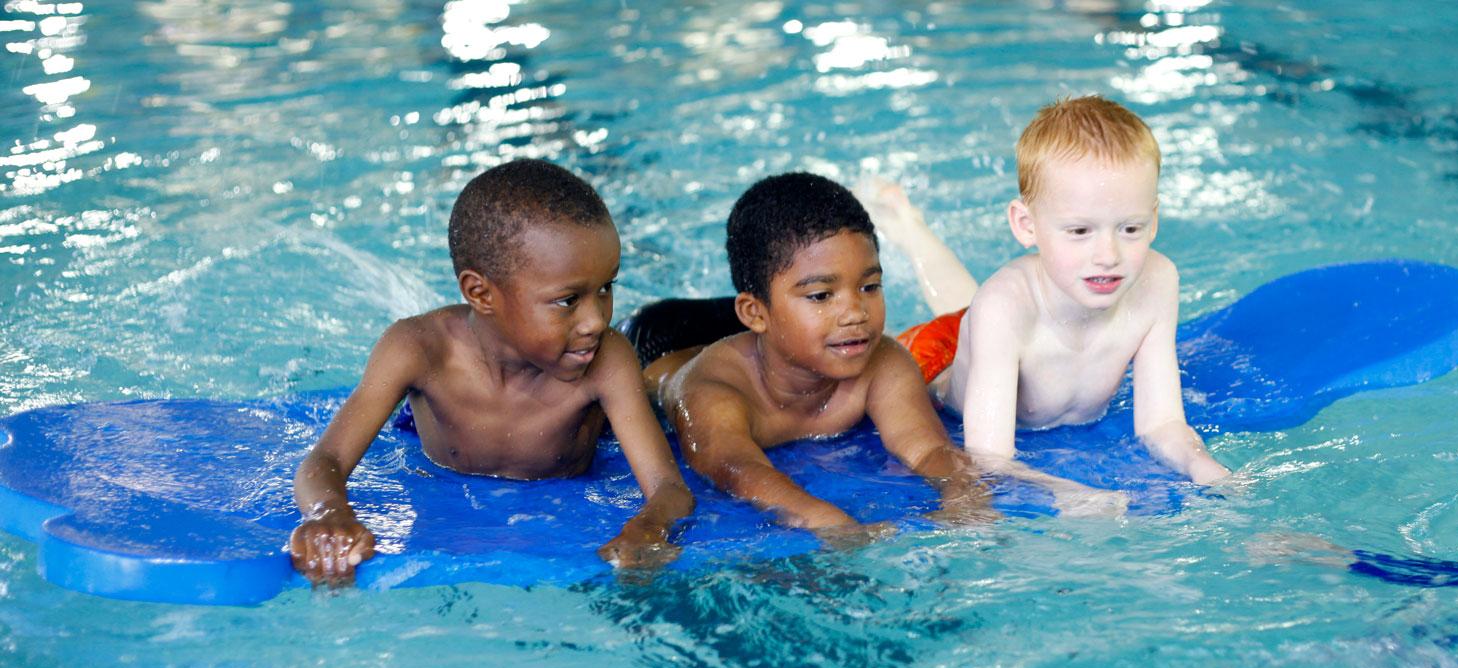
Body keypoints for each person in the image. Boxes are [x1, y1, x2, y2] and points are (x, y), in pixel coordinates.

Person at [288, 159, 694, 586]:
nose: (596, 320)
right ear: (480, 293)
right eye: (568, 300)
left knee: (671, 384)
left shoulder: (607, 360)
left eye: (607, 287)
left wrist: (648, 527)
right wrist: (328, 514)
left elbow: (669, 489)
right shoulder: (419, 350)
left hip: (621, 411)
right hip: (419, 443)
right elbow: (324, 461)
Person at [857, 95, 1230, 509]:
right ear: (1026, 225)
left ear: (1154, 220)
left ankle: (910, 226)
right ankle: (908, 226)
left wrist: (1205, 467)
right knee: (967, 310)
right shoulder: (1002, 309)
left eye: (1130, 228)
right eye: (1079, 231)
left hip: (1008, 320)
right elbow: (988, 460)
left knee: (971, 303)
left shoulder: (1158, 282)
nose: (1108, 254)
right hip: (937, 363)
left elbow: (1162, 423)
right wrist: (1065, 494)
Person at [626, 172, 998, 543]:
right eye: (823, 295)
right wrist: (831, 523)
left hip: (787, 328)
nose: (855, 312)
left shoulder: (880, 360)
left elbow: (928, 446)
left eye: (869, 287)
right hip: (665, 339)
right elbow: (737, 468)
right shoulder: (713, 393)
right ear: (755, 313)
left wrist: (962, 492)